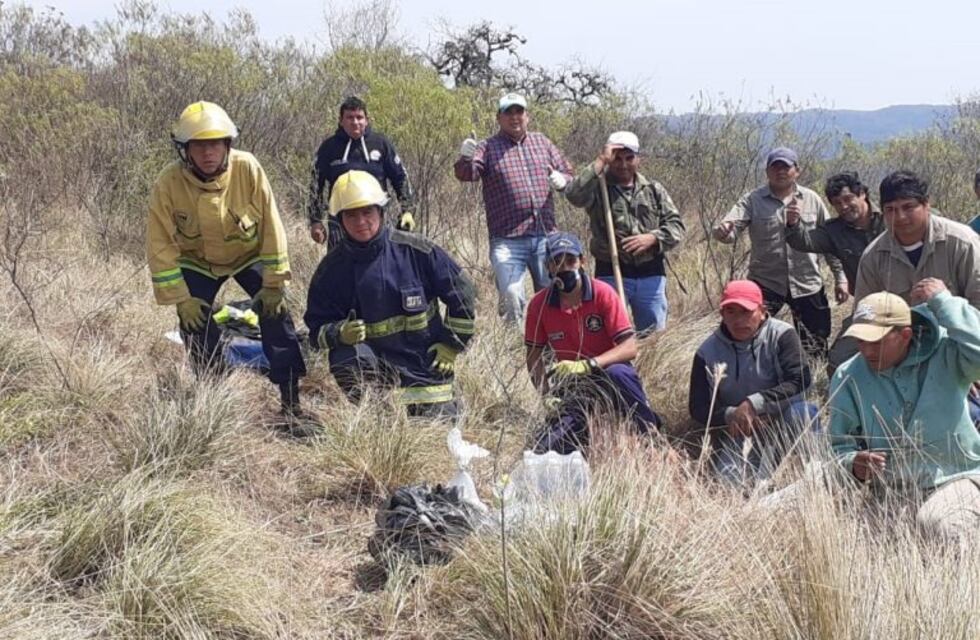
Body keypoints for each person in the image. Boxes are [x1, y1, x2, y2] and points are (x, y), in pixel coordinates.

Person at [146, 101, 308, 425]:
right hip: (198, 262)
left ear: (227, 145)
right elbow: (160, 243)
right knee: (195, 326)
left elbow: (271, 226)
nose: (208, 153)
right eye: (199, 145)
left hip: (248, 256)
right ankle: (214, 399)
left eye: (215, 144)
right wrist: (180, 298)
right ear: (185, 150)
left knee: (277, 319)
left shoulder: (248, 168)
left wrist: (274, 285)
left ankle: (291, 401)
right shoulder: (168, 183)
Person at [304, 171, 476, 418]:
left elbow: (463, 294)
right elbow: (315, 330)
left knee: (438, 430)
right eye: (351, 215)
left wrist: (451, 345)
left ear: (381, 212)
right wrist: (339, 333)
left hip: (423, 363)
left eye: (367, 212)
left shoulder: (417, 252)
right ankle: (377, 417)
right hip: (374, 368)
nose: (361, 221)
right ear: (339, 221)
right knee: (344, 356)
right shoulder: (331, 271)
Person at [829, 282, 980, 539]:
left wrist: (944, 302)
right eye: (860, 341)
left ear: (906, 335)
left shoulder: (946, 353)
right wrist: (853, 464)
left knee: (938, 524)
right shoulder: (847, 375)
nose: (866, 350)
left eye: (876, 341)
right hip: (891, 489)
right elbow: (838, 446)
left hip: (957, 476)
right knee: (851, 542)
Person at [853, 171, 980, 425]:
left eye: (908, 207)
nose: (900, 217)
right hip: (901, 359)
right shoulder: (873, 257)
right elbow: (865, 319)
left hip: (961, 352)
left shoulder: (963, 243)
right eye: (890, 209)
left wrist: (971, 366)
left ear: (927, 204)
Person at [524, 232, 662, 454]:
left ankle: (652, 437)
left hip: (611, 374)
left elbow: (630, 347)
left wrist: (589, 364)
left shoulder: (603, 293)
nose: (564, 267)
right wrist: (546, 395)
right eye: (556, 262)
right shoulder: (539, 305)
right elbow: (533, 357)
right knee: (551, 446)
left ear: (582, 261)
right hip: (574, 384)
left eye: (570, 261)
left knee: (619, 373)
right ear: (547, 267)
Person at [713, 147, 845, 357]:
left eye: (786, 167)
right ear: (767, 171)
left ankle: (810, 384)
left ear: (797, 170)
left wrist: (841, 278)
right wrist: (722, 232)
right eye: (775, 167)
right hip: (765, 282)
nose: (780, 171)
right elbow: (729, 232)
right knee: (749, 337)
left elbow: (829, 243)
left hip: (807, 282)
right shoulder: (752, 200)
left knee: (815, 343)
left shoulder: (812, 199)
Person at [454, 93, 573, 323]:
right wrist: (464, 159)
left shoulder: (543, 142)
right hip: (507, 240)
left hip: (546, 236)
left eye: (519, 111)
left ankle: (551, 348)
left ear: (527, 116)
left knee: (552, 295)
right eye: (508, 112)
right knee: (512, 296)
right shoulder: (487, 147)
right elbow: (467, 174)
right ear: (499, 118)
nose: (515, 117)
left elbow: (568, 173)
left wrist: (563, 180)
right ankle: (516, 352)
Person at [688, 280, 818, 485]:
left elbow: (800, 380)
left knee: (803, 414)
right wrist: (733, 415)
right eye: (730, 311)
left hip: (786, 418)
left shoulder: (783, 335)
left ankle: (810, 475)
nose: (738, 320)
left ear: (762, 311)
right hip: (741, 431)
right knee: (728, 485)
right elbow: (698, 408)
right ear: (721, 314)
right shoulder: (707, 352)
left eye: (746, 312)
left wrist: (753, 404)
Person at [563, 131, 685, 334]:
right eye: (617, 158)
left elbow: (677, 227)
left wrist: (653, 238)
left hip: (651, 274)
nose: (623, 164)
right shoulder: (597, 187)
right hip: (610, 271)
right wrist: (601, 161)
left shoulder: (653, 190)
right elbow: (574, 196)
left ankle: (651, 367)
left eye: (629, 158)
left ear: (639, 159)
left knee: (653, 336)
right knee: (610, 332)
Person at [784, 171, 886, 373]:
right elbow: (804, 241)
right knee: (837, 363)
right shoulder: (835, 231)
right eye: (837, 203)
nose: (844, 207)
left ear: (863, 194)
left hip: (908, 301)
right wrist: (793, 223)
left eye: (848, 199)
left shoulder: (889, 218)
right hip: (868, 307)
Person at [308, 96, 415, 250]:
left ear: (367, 120)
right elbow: (315, 185)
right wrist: (315, 221)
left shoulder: (381, 144)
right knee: (341, 268)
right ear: (341, 120)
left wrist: (407, 211)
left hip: (376, 216)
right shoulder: (329, 147)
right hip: (340, 220)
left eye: (359, 117)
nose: (355, 122)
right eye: (350, 118)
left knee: (379, 263)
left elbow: (400, 178)